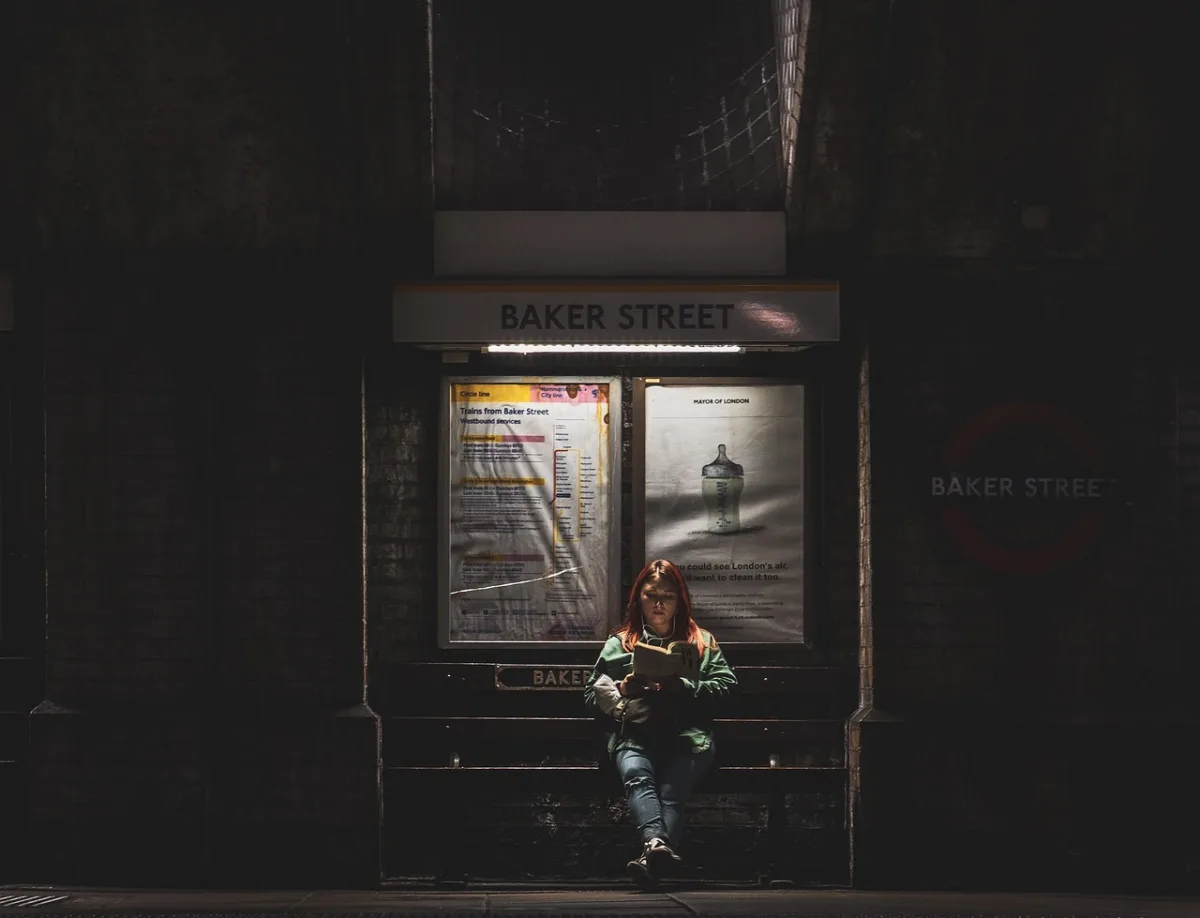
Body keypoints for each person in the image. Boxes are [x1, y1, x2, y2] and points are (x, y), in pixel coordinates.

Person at [583, 558, 738, 889]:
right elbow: (590, 695)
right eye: (650, 595)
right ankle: (657, 850)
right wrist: (624, 688)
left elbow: (726, 686)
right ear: (637, 598)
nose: (658, 604)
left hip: (688, 738)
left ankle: (652, 851)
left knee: (671, 791)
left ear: (679, 599)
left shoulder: (701, 642)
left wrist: (682, 685)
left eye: (666, 596)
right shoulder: (620, 643)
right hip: (636, 733)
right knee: (637, 775)